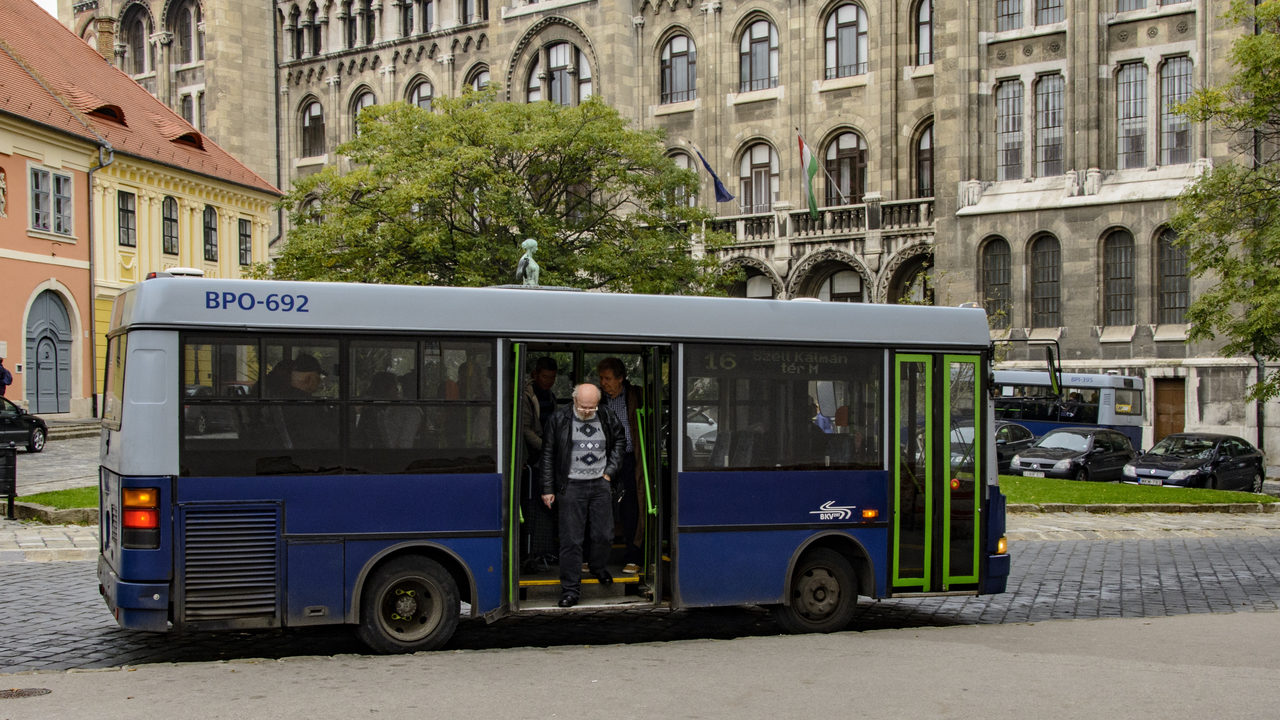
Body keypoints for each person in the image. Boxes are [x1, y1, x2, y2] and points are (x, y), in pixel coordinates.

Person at [540, 383, 625, 608]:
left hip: (600, 484)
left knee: (605, 535)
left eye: (592, 407)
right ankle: (570, 589)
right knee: (571, 540)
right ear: (574, 399)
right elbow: (547, 453)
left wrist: (609, 473)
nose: (587, 411)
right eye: (583, 406)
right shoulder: (559, 418)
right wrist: (547, 488)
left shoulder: (607, 414)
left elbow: (619, 441)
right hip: (571, 486)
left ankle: (597, 567)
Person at [596, 357, 646, 575]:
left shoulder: (638, 396)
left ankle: (633, 557)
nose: (604, 383)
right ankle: (595, 557)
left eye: (608, 379)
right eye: (601, 378)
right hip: (602, 460)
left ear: (621, 379)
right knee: (598, 507)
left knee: (631, 508)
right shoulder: (597, 399)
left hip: (630, 459)